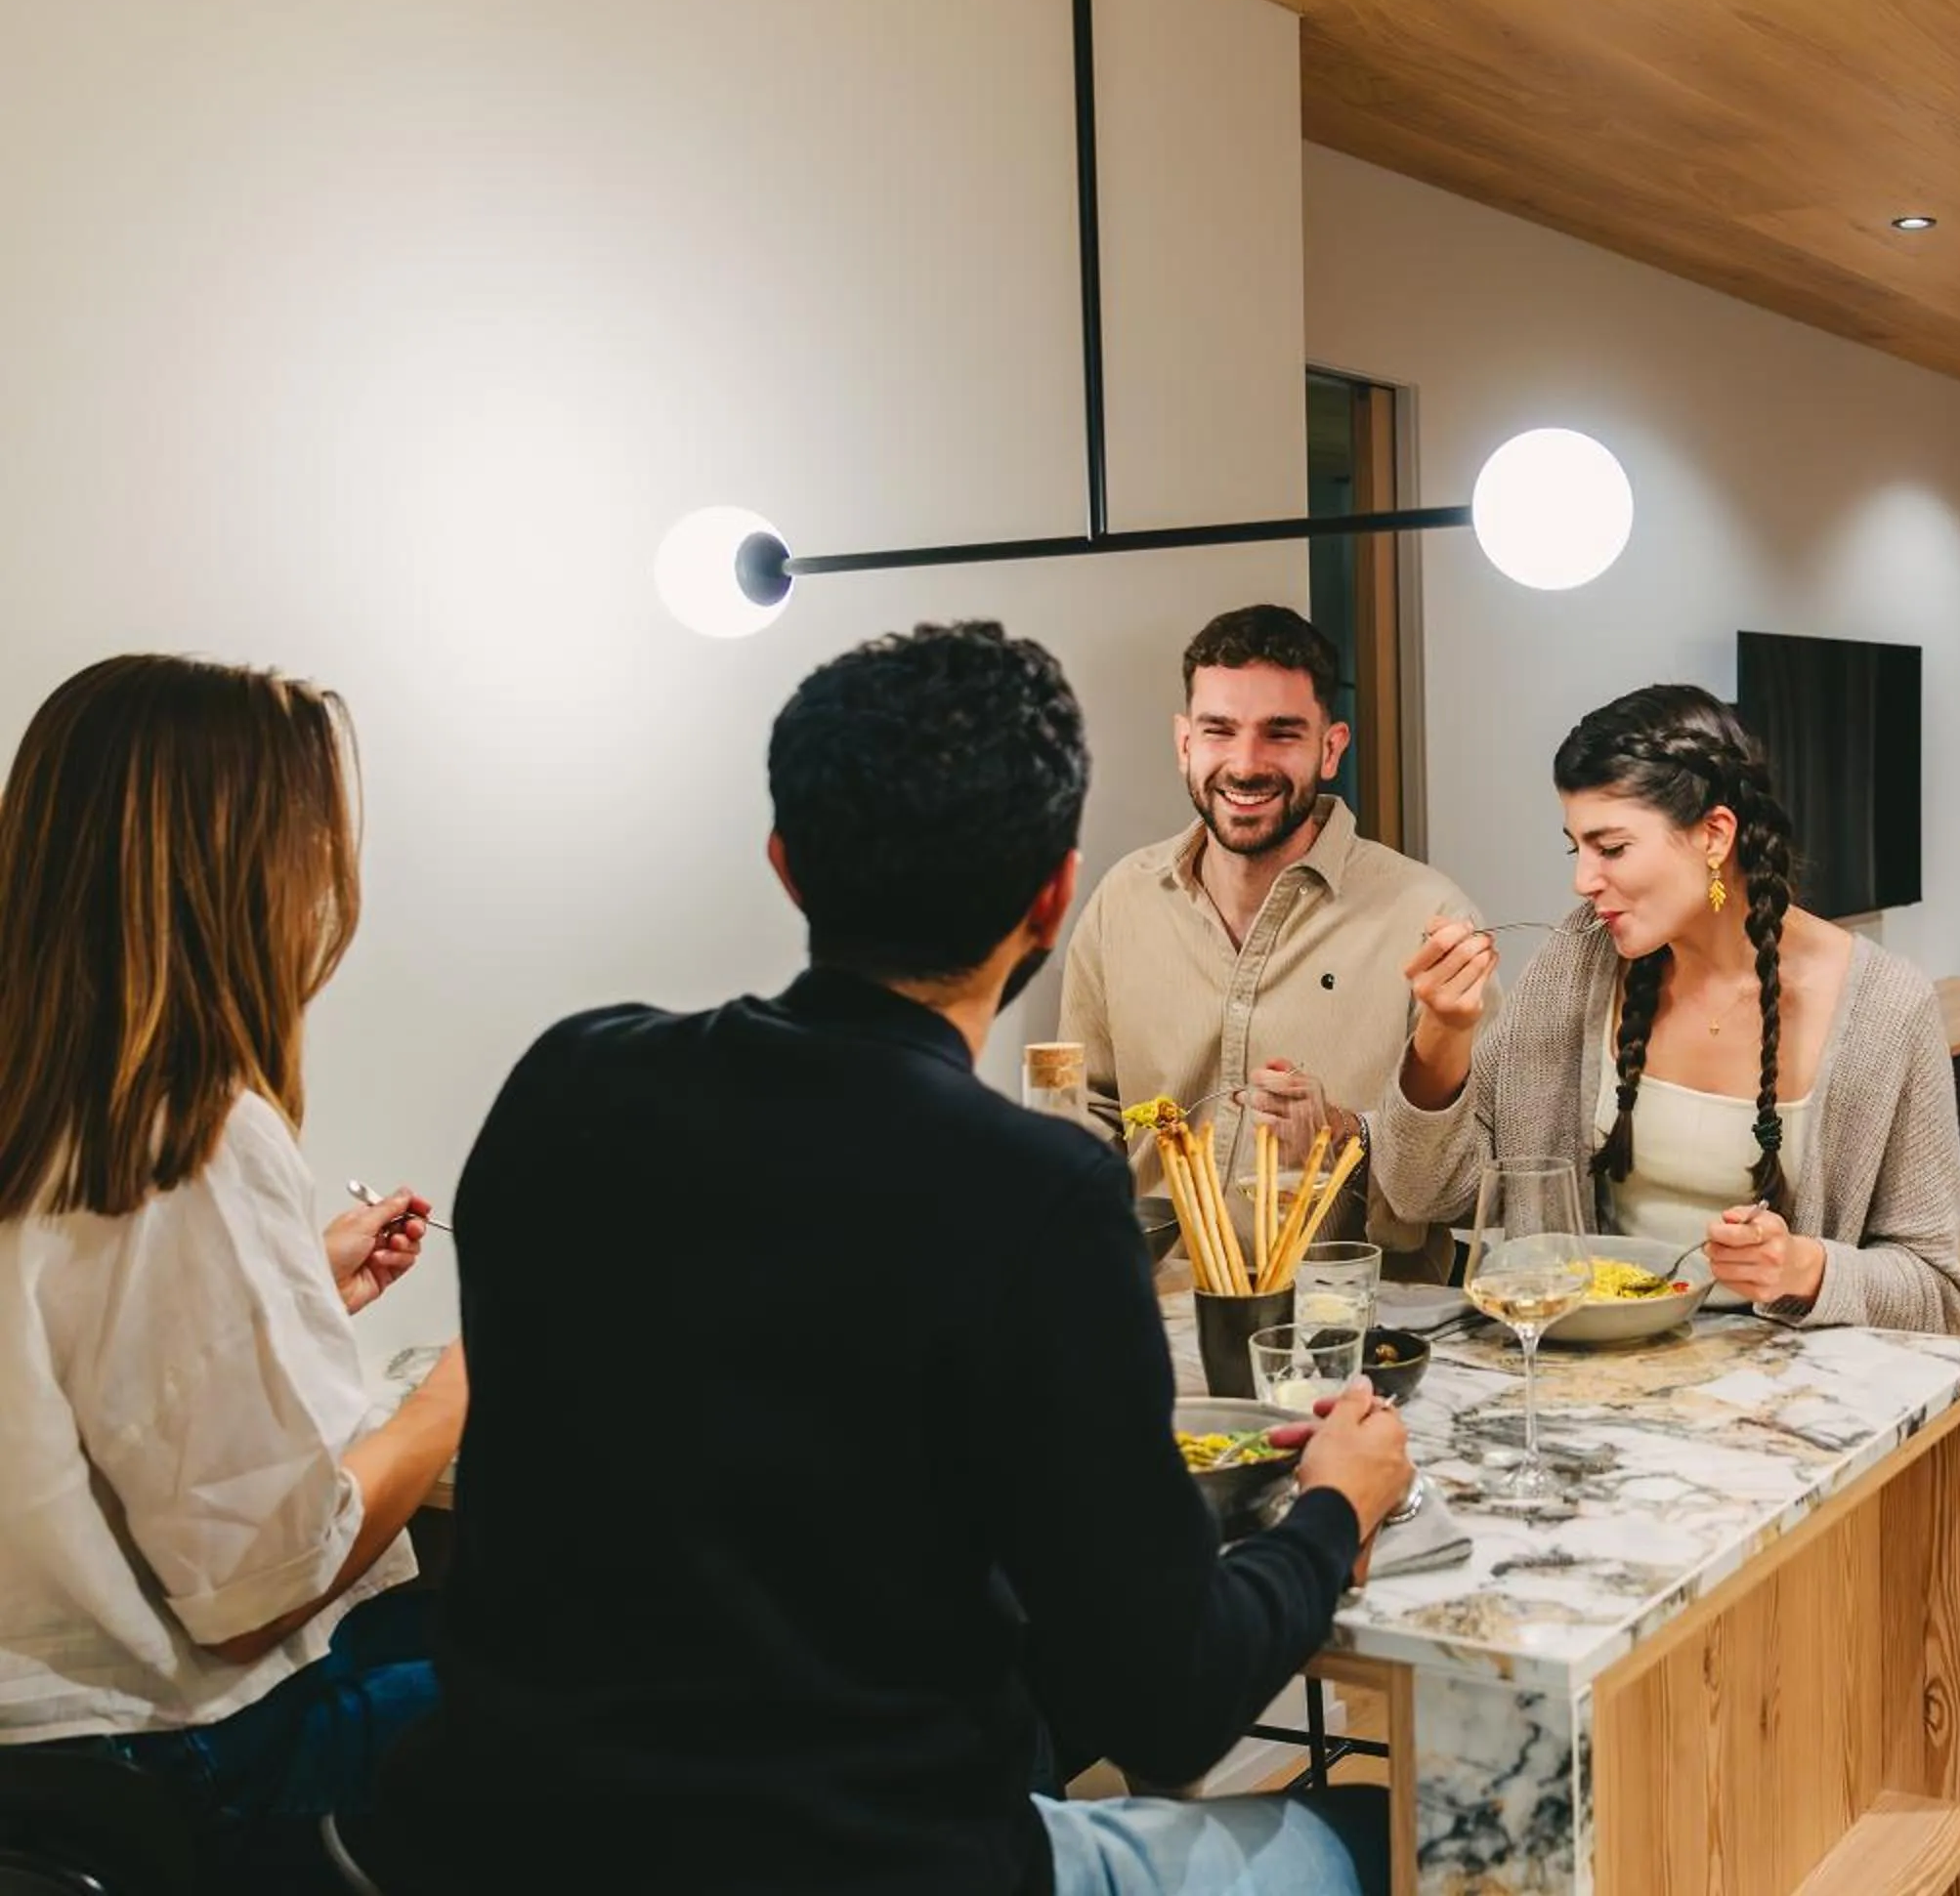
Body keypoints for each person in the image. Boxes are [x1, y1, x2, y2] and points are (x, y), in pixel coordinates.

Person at [360, 621, 1414, 1896]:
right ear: (1052, 896)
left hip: (505, 1837)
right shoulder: (1036, 1190)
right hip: (850, 1861)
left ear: (787, 865)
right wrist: (1331, 1513)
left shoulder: (568, 1076)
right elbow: (1173, 1706)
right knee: (1353, 1828)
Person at [0, 654, 463, 1890]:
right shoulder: (189, 1132)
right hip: (151, 1760)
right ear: (239, 867)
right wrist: (470, 1381)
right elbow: (266, 1587)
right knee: (602, 1692)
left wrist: (291, 1285)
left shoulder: (49, 1111)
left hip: (30, 1737)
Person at [1379, 685, 1960, 1331]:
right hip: (1581, 1377)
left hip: (1786, 1407)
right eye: (1575, 848)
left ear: (1714, 835)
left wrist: (1805, 1269)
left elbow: (1939, 1292)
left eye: (1611, 848)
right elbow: (1428, 1194)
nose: (1583, 880)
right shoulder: (1574, 962)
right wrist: (1443, 1032)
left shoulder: (1888, 1009)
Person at [1060, 606, 1477, 1275]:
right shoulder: (1122, 901)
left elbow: (1466, 1190)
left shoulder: (1427, 917)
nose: (1246, 764)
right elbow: (1087, 1117)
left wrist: (1347, 1137)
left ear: (1332, 748)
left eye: (1281, 734)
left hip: (1354, 1325)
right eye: (1219, 731)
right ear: (1184, 743)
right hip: (1156, 1313)